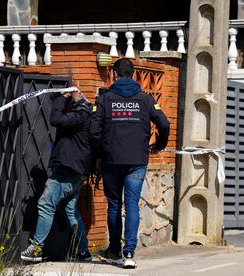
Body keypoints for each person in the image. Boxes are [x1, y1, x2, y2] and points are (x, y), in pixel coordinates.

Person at [90, 58, 170, 268]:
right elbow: (164, 123)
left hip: (111, 160)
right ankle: (129, 253)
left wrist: (100, 153)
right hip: (136, 160)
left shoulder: (105, 99)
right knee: (132, 204)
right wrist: (158, 145)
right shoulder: (145, 99)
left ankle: (114, 250)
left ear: (115, 75)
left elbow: (93, 131)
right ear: (133, 75)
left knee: (114, 205)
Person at [21, 89, 93, 262]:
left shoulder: (80, 115)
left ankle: (37, 249)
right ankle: (84, 251)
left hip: (68, 170)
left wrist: (61, 99)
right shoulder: (87, 114)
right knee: (71, 211)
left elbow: (56, 119)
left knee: (46, 203)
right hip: (77, 170)